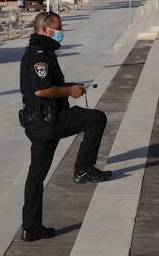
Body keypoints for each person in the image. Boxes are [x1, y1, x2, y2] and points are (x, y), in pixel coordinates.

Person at [19, 12, 111, 242]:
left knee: (36, 176)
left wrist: (72, 86)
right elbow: (42, 90)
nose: (62, 32)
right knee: (96, 118)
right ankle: (83, 169)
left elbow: (51, 85)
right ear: (44, 29)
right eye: (58, 28)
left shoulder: (43, 51)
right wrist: (69, 91)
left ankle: (31, 228)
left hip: (40, 123)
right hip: (49, 122)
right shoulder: (39, 55)